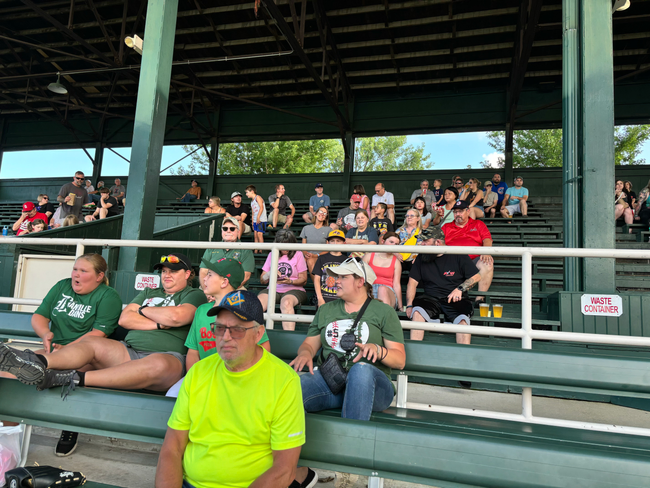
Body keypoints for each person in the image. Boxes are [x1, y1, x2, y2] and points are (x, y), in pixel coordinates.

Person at [0, 253, 207, 397]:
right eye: (163, 271)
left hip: (168, 358)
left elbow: (177, 317)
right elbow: (125, 319)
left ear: (188, 274)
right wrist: (158, 323)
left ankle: (73, 378)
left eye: (174, 271)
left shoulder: (193, 294)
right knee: (92, 344)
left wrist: (142, 312)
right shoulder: (149, 293)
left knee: (157, 364)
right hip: (128, 351)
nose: (167, 275)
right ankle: (34, 361)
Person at [155, 290, 306, 488]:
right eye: (219, 328)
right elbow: (171, 448)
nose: (226, 337)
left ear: (258, 334)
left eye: (237, 329)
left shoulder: (284, 380)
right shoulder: (199, 372)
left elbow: (284, 469)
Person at [0, 254, 122, 456]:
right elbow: (40, 315)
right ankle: (9, 434)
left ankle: (69, 425)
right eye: (75, 269)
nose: (76, 275)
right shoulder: (62, 286)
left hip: (88, 354)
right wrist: (45, 333)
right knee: (10, 372)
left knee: (67, 371)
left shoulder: (108, 296)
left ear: (99, 276)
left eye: (84, 271)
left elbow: (98, 334)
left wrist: (67, 350)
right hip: (53, 350)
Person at [289, 257, 405, 423]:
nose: (336, 281)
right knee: (292, 389)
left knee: (361, 370)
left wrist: (378, 350)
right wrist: (305, 354)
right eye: (336, 277)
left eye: (343, 277)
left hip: (374, 388)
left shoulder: (384, 312)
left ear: (360, 282)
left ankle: (353, 443)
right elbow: (309, 344)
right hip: (333, 381)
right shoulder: (326, 310)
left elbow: (400, 360)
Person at [185, 259, 270, 375]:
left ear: (224, 282)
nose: (204, 278)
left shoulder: (245, 310)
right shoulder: (201, 310)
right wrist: (194, 378)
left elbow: (264, 349)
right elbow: (193, 352)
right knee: (174, 393)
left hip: (237, 378)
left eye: (209, 275)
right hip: (203, 377)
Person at [406, 227, 481, 347]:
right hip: (430, 298)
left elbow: (476, 276)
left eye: (425, 242)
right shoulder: (422, 256)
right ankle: (415, 353)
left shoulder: (457, 254)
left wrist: (460, 289)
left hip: (454, 298)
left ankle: (464, 357)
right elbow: (412, 282)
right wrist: (409, 305)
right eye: (422, 241)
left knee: (462, 320)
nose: (422, 244)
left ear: (438, 243)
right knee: (417, 312)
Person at [443, 200, 493, 301]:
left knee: (487, 263)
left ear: (468, 211)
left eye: (460, 211)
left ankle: (480, 298)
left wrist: (486, 251)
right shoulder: (446, 226)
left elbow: (487, 239)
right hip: (452, 261)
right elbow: (438, 242)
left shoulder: (478, 224)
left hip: (473, 260)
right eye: (455, 212)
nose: (457, 214)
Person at [258, 230, 308, 331]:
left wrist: (290, 281)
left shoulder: (298, 254)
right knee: (258, 304)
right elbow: (262, 280)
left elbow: (304, 279)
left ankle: (289, 337)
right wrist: (270, 274)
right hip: (273, 288)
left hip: (294, 289)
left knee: (286, 303)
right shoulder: (273, 253)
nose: (284, 249)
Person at [200, 216, 255, 289]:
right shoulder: (212, 247)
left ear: (238, 231)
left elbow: (246, 276)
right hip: (210, 286)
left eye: (232, 229)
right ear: (222, 231)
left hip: (236, 288)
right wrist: (206, 290)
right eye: (225, 229)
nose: (228, 231)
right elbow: (203, 272)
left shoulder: (246, 250)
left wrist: (224, 291)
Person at [363, 232, 402, 311]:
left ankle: (383, 318)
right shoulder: (369, 256)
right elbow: (362, 279)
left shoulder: (396, 262)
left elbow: (396, 284)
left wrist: (400, 307)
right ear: (383, 241)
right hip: (370, 290)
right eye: (391, 242)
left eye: (396, 244)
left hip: (388, 292)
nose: (393, 245)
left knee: (382, 289)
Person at [312, 230, 348, 307]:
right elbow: (317, 279)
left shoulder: (347, 260)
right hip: (324, 297)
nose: (335, 243)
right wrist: (320, 298)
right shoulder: (322, 258)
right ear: (328, 243)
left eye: (338, 241)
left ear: (344, 243)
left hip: (340, 299)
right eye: (332, 241)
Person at [300, 206, 330, 277]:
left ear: (326, 217)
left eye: (325, 213)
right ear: (316, 214)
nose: (322, 214)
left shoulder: (329, 229)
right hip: (308, 256)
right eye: (321, 212)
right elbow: (303, 246)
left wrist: (316, 255)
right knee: (308, 260)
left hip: (322, 256)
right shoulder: (306, 228)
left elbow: (328, 249)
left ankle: (317, 287)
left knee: (310, 260)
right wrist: (306, 255)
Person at [244, 185, 268, 253]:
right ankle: (256, 250)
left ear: (252, 191)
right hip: (255, 220)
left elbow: (261, 207)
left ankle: (261, 249)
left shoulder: (258, 197)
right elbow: (253, 212)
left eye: (247, 192)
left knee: (259, 234)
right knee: (255, 235)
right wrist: (253, 221)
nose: (246, 194)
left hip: (261, 219)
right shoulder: (252, 202)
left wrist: (258, 217)